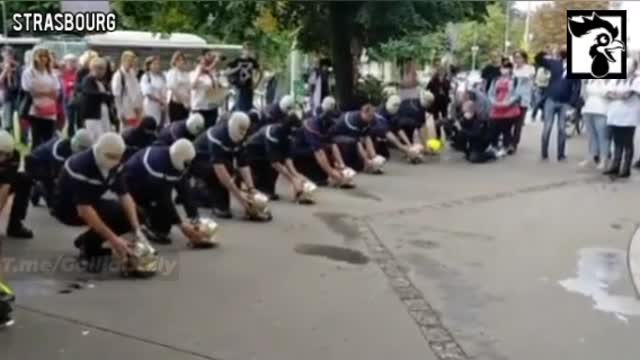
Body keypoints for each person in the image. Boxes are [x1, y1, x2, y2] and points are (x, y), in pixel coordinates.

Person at [51, 132, 142, 272]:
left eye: (117, 157)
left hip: (91, 201)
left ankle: (86, 240)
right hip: (68, 208)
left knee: (136, 215)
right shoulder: (80, 166)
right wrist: (114, 240)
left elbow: (125, 196)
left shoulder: (116, 164)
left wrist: (137, 229)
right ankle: (89, 248)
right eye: (111, 157)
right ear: (99, 151)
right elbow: (84, 210)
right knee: (108, 215)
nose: (115, 161)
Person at [124, 139, 202, 245]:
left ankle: (148, 214)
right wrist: (181, 224)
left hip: (151, 183)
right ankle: (143, 216)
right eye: (187, 161)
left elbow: (185, 189)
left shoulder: (175, 159)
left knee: (166, 218)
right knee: (162, 223)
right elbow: (163, 199)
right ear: (180, 159)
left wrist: (194, 216)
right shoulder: (157, 166)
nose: (189, 164)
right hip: (133, 185)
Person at [191, 111, 258, 219]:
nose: (243, 133)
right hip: (198, 161)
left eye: (244, 130)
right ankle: (199, 194)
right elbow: (220, 172)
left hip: (218, 161)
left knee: (233, 171)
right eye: (240, 129)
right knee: (221, 174)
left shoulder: (242, 136)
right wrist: (241, 199)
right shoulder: (217, 136)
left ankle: (204, 195)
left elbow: (243, 164)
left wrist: (251, 189)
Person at [243, 112, 308, 202]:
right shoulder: (273, 134)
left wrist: (297, 175)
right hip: (253, 151)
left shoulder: (288, 136)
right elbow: (274, 162)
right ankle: (261, 189)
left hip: (265, 152)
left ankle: (268, 188)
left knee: (278, 163)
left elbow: (287, 158)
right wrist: (292, 180)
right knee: (270, 166)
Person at [291, 96, 349, 186]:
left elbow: (333, 144)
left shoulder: (327, 125)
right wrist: (332, 173)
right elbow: (319, 153)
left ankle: (329, 174)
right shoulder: (312, 126)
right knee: (320, 151)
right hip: (298, 150)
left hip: (311, 146)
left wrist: (342, 165)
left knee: (331, 146)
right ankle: (318, 176)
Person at [26, 129, 93, 207]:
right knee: (55, 204)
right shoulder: (60, 150)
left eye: (86, 149)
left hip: (49, 165)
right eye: (83, 148)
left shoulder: (72, 147)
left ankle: (41, 188)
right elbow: (58, 176)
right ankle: (39, 187)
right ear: (76, 143)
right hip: (36, 164)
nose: (84, 151)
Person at [539, 46, 582, 161]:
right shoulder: (554, 63)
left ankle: (561, 154)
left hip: (565, 102)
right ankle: (544, 152)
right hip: (551, 99)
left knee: (562, 128)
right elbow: (539, 60)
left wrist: (573, 101)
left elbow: (577, 86)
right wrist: (545, 52)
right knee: (547, 127)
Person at [604, 58, 640, 178]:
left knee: (627, 143)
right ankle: (615, 166)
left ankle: (626, 169)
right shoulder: (616, 78)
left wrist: (616, 94)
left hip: (628, 116)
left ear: (633, 67)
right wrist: (618, 95)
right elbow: (607, 92)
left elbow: (628, 95)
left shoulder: (637, 79)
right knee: (617, 142)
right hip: (615, 115)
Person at [21, 47, 60, 148]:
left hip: (50, 110)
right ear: (35, 58)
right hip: (35, 109)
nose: (43, 59)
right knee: (36, 138)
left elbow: (56, 92)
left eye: (45, 56)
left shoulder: (51, 73)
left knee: (49, 138)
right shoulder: (29, 72)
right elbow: (31, 92)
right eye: (40, 56)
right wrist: (47, 93)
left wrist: (43, 93)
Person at [330, 103, 383, 173]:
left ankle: (372, 161)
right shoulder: (353, 121)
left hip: (349, 136)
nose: (371, 118)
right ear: (363, 113)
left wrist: (374, 156)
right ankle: (365, 163)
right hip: (336, 136)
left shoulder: (367, 120)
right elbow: (357, 143)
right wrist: (366, 160)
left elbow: (367, 137)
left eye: (372, 116)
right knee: (353, 141)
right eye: (369, 116)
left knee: (369, 137)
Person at [0, 130, 33, 238]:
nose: (2, 158)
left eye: (6, 154)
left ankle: (15, 226)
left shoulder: (15, 155)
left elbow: (6, 185)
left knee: (24, 179)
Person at [372, 95, 421, 161]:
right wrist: (402, 147)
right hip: (373, 135)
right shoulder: (379, 114)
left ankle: (410, 150)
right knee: (384, 155)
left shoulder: (394, 111)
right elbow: (387, 133)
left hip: (385, 132)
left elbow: (398, 128)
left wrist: (409, 144)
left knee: (386, 154)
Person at [488, 61, 521, 155]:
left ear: (510, 69)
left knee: (506, 127)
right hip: (497, 107)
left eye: (506, 68)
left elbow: (517, 94)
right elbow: (490, 93)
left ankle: (507, 145)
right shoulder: (495, 80)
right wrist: (494, 102)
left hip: (509, 107)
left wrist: (508, 102)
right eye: (502, 68)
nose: (503, 70)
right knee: (495, 126)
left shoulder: (514, 80)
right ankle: (495, 144)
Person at [80, 57, 115, 141]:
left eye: (103, 69)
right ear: (92, 68)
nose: (101, 71)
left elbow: (108, 96)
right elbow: (90, 93)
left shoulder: (101, 82)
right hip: (93, 115)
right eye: (98, 68)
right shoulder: (88, 80)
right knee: (96, 138)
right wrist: (105, 95)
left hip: (103, 113)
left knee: (105, 136)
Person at [580, 79, 612, 170]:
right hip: (588, 109)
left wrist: (601, 83)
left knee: (602, 137)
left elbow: (607, 94)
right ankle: (591, 156)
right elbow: (584, 94)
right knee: (591, 136)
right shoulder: (590, 80)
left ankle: (603, 160)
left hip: (601, 110)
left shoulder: (608, 81)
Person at [111, 50, 143, 131]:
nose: (132, 64)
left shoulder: (132, 74)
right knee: (126, 133)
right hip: (125, 111)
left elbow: (137, 92)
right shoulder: (118, 75)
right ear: (124, 61)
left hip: (135, 111)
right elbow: (116, 96)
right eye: (130, 61)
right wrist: (121, 114)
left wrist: (139, 108)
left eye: (133, 61)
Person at [191, 50, 223, 128]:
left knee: (210, 128)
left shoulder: (212, 73)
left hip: (211, 106)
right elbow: (192, 85)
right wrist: (199, 71)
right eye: (201, 62)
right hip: (200, 107)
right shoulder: (193, 73)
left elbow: (217, 87)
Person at [226, 43, 262, 112]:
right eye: (246, 49)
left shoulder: (252, 61)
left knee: (248, 107)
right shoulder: (236, 61)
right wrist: (230, 83)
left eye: (250, 50)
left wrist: (256, 84)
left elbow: (260, 72)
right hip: (239, 87)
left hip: (249, 87)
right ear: (242, 50)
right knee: (239, 107)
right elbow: (227, 72)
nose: (248, 52)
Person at [511, 50, 535, 152]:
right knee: (508, 122)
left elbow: (529, 79)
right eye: (516, 57)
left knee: (518, 123)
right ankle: (507, 141)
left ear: (524, 58)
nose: (517, 59)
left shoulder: (529, 69)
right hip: (510, 99)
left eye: (519, 57)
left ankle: (514, 144)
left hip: (523, 99)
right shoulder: (512, 69)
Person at [141, 56, 167, 127]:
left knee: (160, 126)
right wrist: (160, 100)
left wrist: (163, 102)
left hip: (160, 108)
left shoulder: (161, 77)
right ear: (149, 65)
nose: (157, 66)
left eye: (158, 64)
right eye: (154, 64)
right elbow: (147, 93)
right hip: (150, 106)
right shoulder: (146, 77)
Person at [426, 65, 451, 140]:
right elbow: (427, 89)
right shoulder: (433, 80)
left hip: (444, 102)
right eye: (440, 71)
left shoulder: (446, 80)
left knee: (445, 118)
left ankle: (447, 134)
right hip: (435, 103)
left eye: (443, 72)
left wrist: (443, 82)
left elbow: (448, 88)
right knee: (436, 119)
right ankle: (438, 135)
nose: (441, 73)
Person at [166, 51, 191, 122]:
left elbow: (189, 88)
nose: (181, 62)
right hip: (176, 103)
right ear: (175, 61)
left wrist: (188, 101)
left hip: (186, 104)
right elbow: (173, 88)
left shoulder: (186, 73)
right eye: (179, 60)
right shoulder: (172, 72)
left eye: (182, 60)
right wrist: (183, 100)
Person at [0, 47, 20, 135]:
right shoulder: (1, 66)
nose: (8, 56)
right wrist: (5, 71)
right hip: (6, 93)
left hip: (18, 93)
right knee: (7, 116)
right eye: (6, 54)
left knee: (21, 117)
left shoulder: (17, 66)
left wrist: (14, 67)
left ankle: (23, 136)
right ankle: (7, 134)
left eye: (10, 54)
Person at [60, 54, 78, 136]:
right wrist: (72, 85)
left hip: (76, 98)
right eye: (69, 62)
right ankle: (70, 136)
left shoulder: (78, 73)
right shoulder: (63, 73)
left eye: (73, 62)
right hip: (67, 99)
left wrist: (72, 85)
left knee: (77, 120)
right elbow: (64, 86)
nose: (71, 64)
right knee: (70, 120)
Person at [531, 51, 551, 121]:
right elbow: (536, 76)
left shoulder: (550, 67)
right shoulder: (538, 66)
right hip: (538, 86)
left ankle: (543, 116)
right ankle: (533, 115)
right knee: (538, 101)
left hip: (547, 87)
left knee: (545, 102)